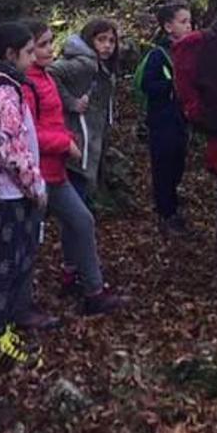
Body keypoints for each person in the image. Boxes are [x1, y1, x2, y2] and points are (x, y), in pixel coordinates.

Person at [24, 20, 129, 318]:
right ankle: (18, 304)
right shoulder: (34, 80)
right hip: (39, 171)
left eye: (48, 43)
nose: (49, 51)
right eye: (41, 45)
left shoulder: (44, 75)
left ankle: (92, 291)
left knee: (82, 221)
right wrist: (67, 137)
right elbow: (30, 130)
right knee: (29, 236)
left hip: (57, 169)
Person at [0, 23, 46, 369]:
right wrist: (36, 186)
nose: (34, 58)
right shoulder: (2, 93)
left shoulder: (7, 87)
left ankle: (4, 330)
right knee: (7, 263)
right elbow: (12, 150)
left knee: (19, 258)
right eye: (29, 52)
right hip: (10, 193)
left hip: (14, 191)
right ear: (10, 54)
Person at [48, 19, 119, 203]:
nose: (107, 46)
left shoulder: (102, 67)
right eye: (101, 40)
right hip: (79, 137)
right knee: (77, 190)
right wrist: (70, 102)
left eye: (111, 41)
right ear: (89, 40)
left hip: (92, 137)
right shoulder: (84, 64)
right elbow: (51, 73)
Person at [139, 4, 193, 234]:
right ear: (168, 26)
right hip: (162, 122)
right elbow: (147, 85)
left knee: (177, 165)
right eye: (183, 21)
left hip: (182, 121)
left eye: (189, 21)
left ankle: (172, 211)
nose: (188, 26)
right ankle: (166, 214)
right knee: (164, 168)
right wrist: (171, 86)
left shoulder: (189, 52)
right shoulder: (158, 55)